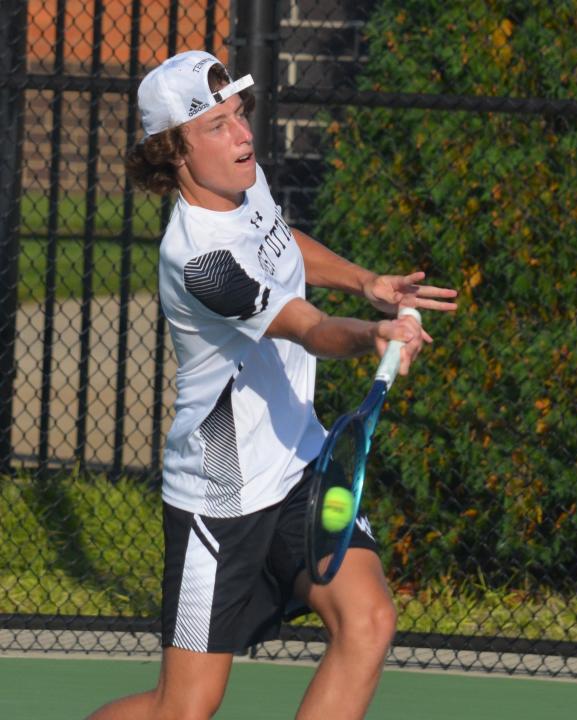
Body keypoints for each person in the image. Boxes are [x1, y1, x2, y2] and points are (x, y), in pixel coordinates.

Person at [88, 50, 457, 720]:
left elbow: (279, 241)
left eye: (239, 116)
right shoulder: (200, 261)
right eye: (217, 126)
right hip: (220, 497)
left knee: (367, 621)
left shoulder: (242, 182)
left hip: (298, 462)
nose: (242, 135)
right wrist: (371, 335)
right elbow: (307, 327)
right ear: (172, 152)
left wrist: (366, 282)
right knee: (185, 709)